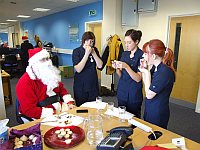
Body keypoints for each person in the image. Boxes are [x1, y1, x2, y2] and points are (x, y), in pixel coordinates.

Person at [16, 48, 75, 119]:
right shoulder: (25, 82)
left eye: (48, 58)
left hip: (57, 107)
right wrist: (54, 113)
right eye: (43, 59)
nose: (48, 62)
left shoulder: (51, 74)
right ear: (34, 63)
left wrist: (69, 102)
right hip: (39, 114)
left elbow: (62, 90)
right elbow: (29, 110)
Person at [139, 39, 176, 129]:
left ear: (154, 56)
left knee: (155, 136)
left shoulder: (164, 72)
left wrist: (146, 73)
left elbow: (149, 94)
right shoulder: (155, 68)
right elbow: (147, 85)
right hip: (150, 107)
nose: (143, 55)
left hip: (158, 111)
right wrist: (145, 69)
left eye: (146, 53)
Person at [112, 29, 143, 118]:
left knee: (134, 118)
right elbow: (121, 75)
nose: (126, 45)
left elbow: (138, 78)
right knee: (122, 116)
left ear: (136, 42)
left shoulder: (141, 55)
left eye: (129, 43)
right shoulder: (124, 54)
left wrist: (126, 66)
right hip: (122, 90)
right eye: (125, 42)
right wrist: (117, 68)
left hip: (134, 93)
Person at [72, 31, 103, 106]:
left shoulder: (94, 50)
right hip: (81, 85)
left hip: (93, 84)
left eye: (92, 41)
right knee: (82, 107)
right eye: (87, 41)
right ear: (83, 41)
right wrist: (86, 54)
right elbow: (78, 69)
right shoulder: (77, 51)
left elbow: (100, 65)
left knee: (93, 106)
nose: (89, 43)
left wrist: (93, 53)